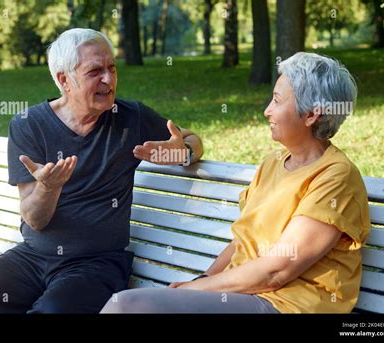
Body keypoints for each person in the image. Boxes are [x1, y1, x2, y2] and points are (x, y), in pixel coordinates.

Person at [0, 28, 203, 314]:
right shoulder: (29, 125)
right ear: (65, 79)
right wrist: (48, 188)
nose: (109, 79)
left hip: (97, 262)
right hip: (33, 256)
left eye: (112, 68)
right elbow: (35, 219)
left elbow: (192, 140)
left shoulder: (131, 118)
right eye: (95, 71)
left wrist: (179, 152)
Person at [101, 52, 370, 314]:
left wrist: (194, 291)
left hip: (286, 304)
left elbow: (276, 271)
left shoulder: (336, 177)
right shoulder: (274, 162)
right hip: (242, 295)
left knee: (125, 307)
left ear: (311, 115)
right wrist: (201, 280)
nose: (267, 111)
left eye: (277, 101)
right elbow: (242, 242)